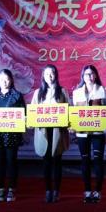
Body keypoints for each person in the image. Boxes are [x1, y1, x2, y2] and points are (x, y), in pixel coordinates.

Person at [72, 65, 106, 203]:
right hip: (82, 133)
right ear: (83, 76)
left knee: (98, 160)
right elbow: (74, 112)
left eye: (92, 73)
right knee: (85, 160)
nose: (89, 76)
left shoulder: (103, 90)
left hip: (98, 131)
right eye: (87, 74)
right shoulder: (76, 92)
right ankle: (87, 191)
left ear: (96, 75)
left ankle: (98, 191)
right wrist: (72, 125)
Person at [32, 64, 70, 203]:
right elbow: (33, 112)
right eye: (47, 73)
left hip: (57, 132)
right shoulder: (38, 93)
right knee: (46, 162)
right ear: (43, 76)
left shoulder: (62, 91)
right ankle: (48, 190)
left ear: (56, 75)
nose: (50, 76)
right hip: (43, 132)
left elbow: (69, 110)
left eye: (52, 73)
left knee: (57, 161)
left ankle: (57, 191)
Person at [0, 69, 25, 202]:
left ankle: (12, 189)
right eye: (2, 79)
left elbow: (23, 114)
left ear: (11, 80)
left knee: (11, 161)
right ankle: (1, 188)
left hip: (11, 134)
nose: (4, 81)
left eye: (7, 79)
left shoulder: (17, 96)